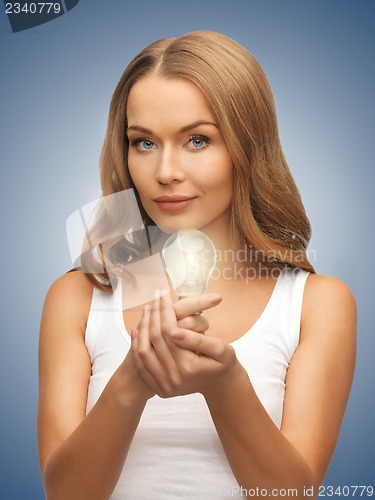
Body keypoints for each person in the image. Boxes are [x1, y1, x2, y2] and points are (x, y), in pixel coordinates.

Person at [37, 31, 356, 499]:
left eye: (197, 140)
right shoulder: (79, 297)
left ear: (247, 146)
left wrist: (226, 387)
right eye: (144, 143)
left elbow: (293, 493)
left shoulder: (316, 304)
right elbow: (64, 494)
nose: (166, 171)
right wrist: (133, 381)